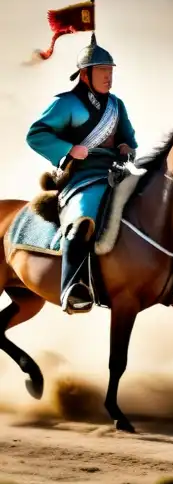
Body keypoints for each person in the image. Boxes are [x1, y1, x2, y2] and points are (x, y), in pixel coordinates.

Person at [26, 33, 138, 314]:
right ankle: (72, 289)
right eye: (102, 70)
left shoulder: (117, 105)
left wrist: (127, 147)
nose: (108, 77)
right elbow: (36, 134)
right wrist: (68, 150)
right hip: (81, 177)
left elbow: (130, 139)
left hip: (116, 172)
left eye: (110, 71)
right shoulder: (65, 103)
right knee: (82, 224)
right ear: (85, 74)